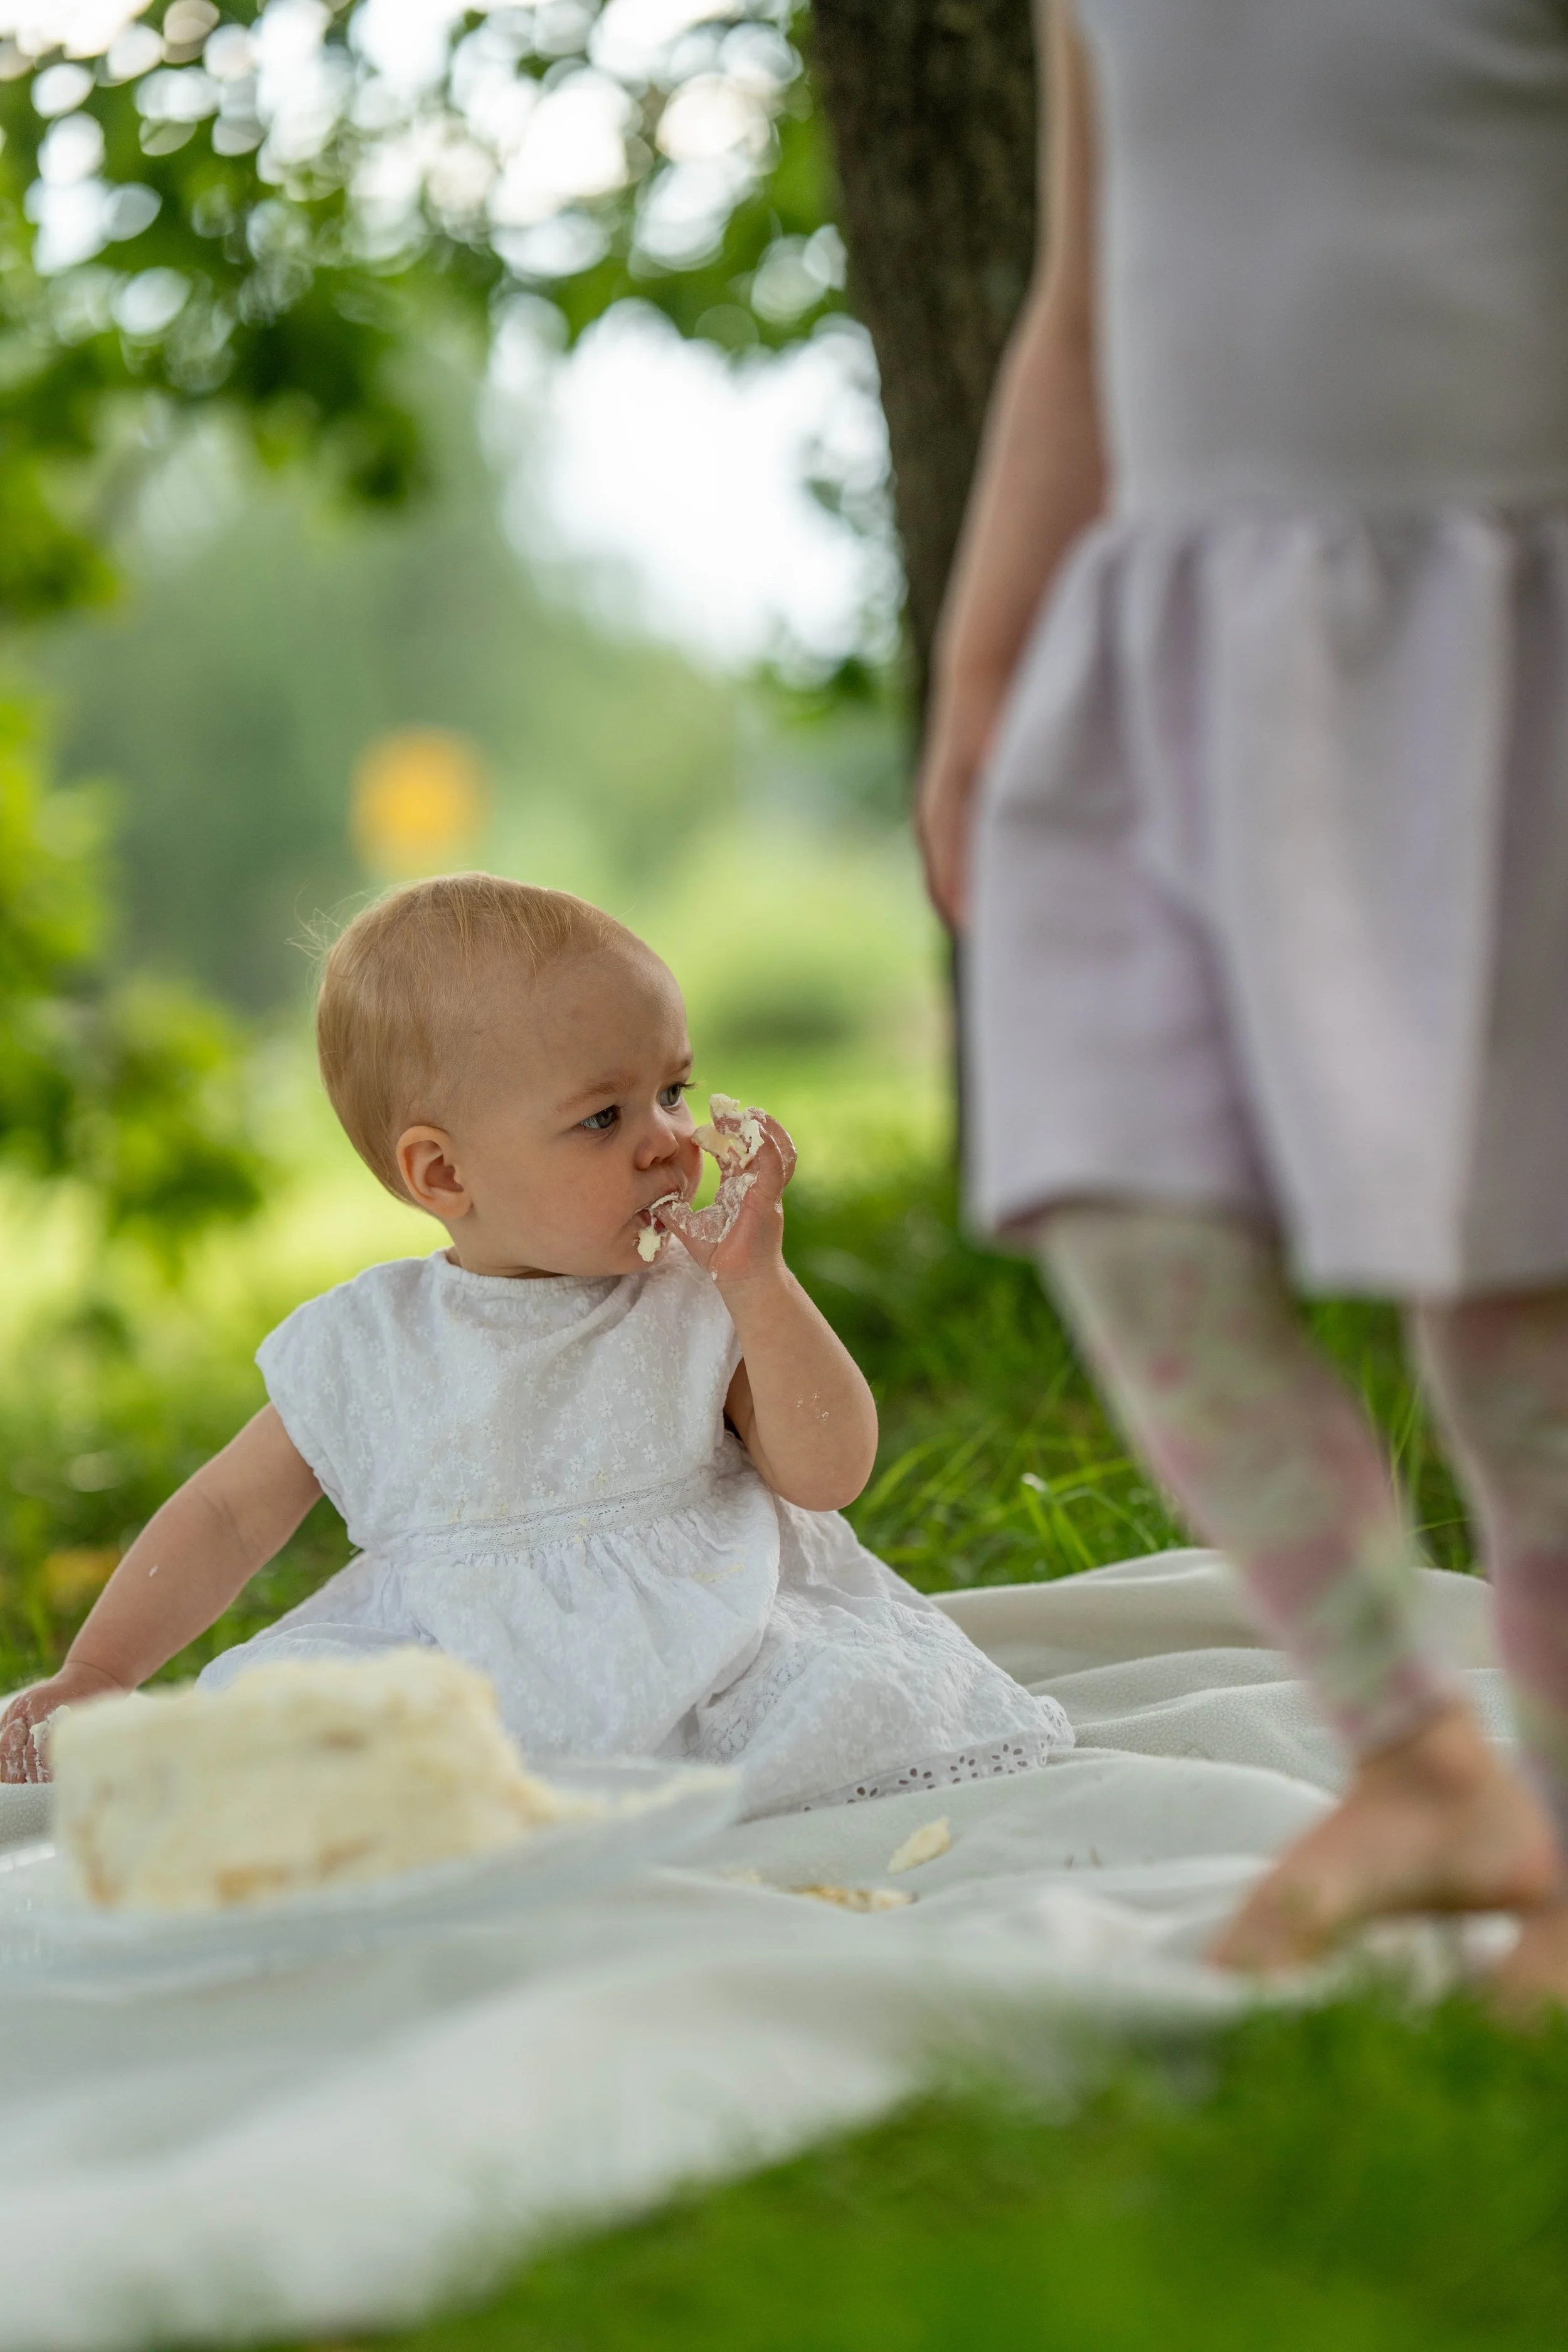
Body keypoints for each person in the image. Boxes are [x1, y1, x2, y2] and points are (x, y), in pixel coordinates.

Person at [918, 0, 1568, 1996]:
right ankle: (1412, 1741)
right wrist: (980, 669)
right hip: (1179, 642)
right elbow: (1083, 315)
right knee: (1112, 1179)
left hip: (1494, 622)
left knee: (1509, 1290)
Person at [0, 875, 1071, 1813]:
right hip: (461, 1676)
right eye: (604, 1118)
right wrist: (99, 1669)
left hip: (710, 1650)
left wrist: (763, 1284)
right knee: (299, 1741)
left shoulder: (700, 1299)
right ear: (444, 1177)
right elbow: (228, 1515)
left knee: (850, 1700)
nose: (670, 1140)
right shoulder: (371, 1342)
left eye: (673, 1090)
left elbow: (829, 1474)